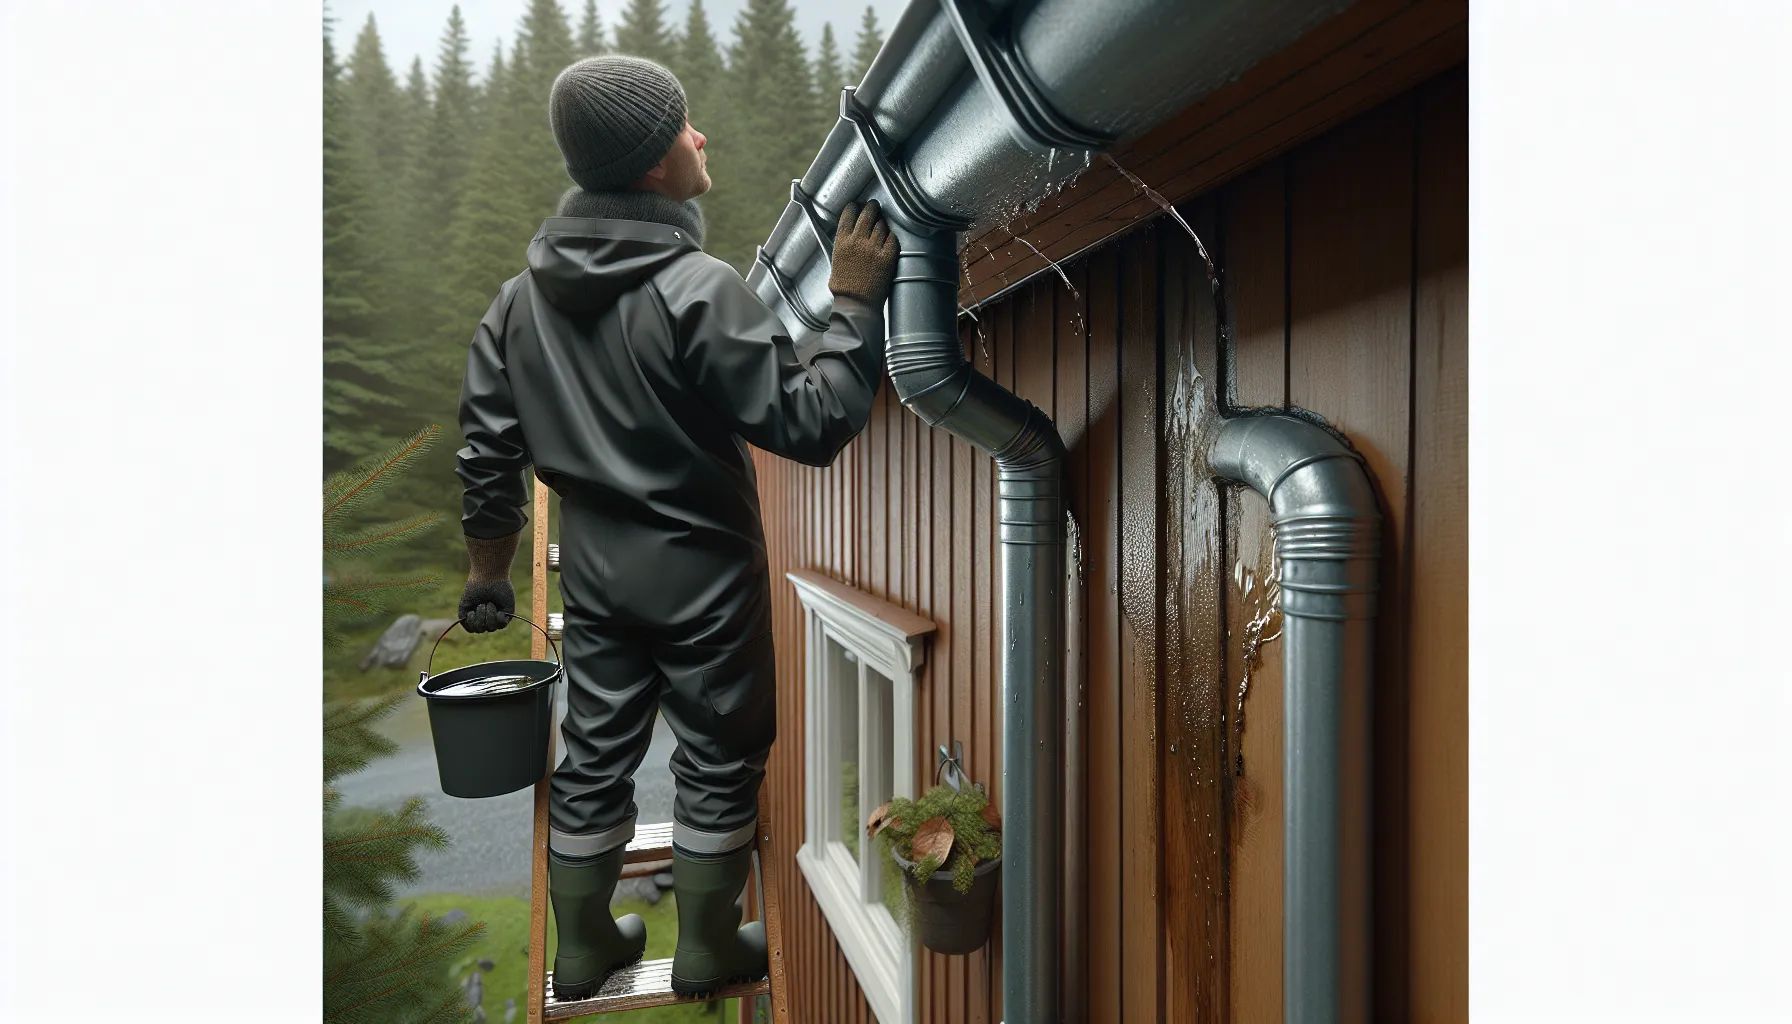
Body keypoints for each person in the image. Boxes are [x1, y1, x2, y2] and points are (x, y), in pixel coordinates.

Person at [451, 54, 898, 1001]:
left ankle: (581, 951)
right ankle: (706, 945)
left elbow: (487, 453)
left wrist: (488, 572)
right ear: (656, 164)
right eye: (685, 126)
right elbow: (813, 421)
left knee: (594, 752)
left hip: (598, 579)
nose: (702, 137)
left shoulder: (515, 304)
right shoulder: (697, 287)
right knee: (721, 753)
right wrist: (855, 305)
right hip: (706, 575)